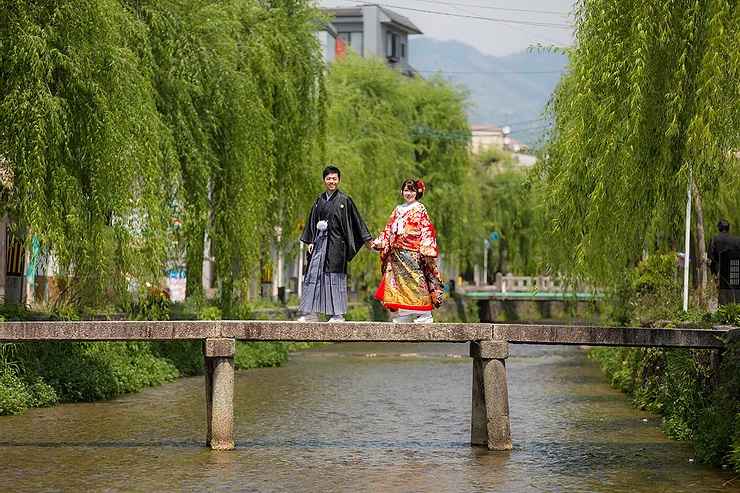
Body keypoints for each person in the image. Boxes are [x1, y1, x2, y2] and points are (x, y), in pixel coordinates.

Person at [297, 165, 373, 322]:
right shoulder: (319, 200)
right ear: (324, 180)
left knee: (334, 277)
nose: (331, 181)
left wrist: (367, 240)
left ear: (339, 180)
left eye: (334, 178)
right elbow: (312, 221)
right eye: (328, 178)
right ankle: (311, 313)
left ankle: (337, 314)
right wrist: (310, 240)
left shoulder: (345, 200)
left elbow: (356, 222)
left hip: (336, 245)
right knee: (313, 275)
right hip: (319, 243)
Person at [372, 179, 444, 323]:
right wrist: (381, 241)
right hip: (397, 253)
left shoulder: (420, 208)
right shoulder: (398, 209)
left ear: (417, 192)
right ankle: (405, 314)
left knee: (417, 281)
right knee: (400, 283)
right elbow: (388, 229)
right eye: (406, 190)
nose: (408, 193)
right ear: (401, 192)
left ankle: (425, 314)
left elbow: (426, 228)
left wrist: (426, 246)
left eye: (411, 190)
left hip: (413, 251)